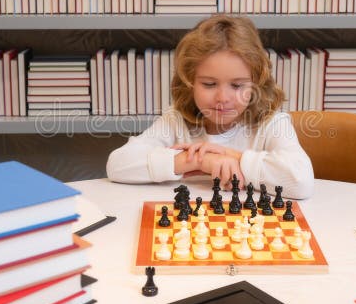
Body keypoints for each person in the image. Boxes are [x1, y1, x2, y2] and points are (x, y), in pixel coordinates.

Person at [106, 15, 314, 199]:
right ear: (189, 82)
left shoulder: (272, 122)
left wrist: (234, 157)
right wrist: (202, 160)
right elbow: (117, 165)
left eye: (237, 85)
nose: (222, 97)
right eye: (209, 84)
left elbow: (302, 182)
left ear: (256, 84)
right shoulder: (176, 121)